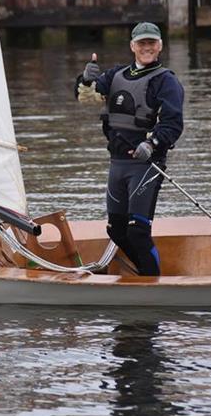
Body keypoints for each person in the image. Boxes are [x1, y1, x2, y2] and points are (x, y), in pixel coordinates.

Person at [74, 22, 184, 276]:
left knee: (137, 230)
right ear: (132, 46)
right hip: (118, 164)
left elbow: (173, 124)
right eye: (142, 43)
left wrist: (152, 143)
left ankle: (152, 284)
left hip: (146, 164)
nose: (147, 48)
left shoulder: (166, 81)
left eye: (152, 43)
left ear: (160, 46)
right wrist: (87, 80)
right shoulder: (115, 75)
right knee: (116, 230)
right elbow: (86, 98)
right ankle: (145, 275)